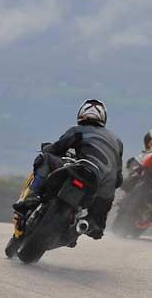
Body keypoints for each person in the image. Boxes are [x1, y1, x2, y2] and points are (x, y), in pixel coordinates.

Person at [11, 99, 124, 241]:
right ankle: (92, 224)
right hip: (100, 184)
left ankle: (32, 195)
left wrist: (46, 147)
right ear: (103, 118)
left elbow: (56, 149)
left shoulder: (78, 130)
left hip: (80, 170)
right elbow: (119, 179)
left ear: (81, 114)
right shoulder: (117, 141)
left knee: (45, 158)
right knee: (100, 214)